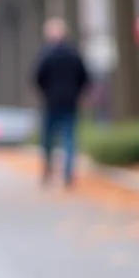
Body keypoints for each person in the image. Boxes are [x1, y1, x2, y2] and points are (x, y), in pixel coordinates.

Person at [32, 18, 89, 187]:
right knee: (69, 139)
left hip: (51, 103)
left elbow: (36, 77)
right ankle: (67, 173)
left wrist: (45, 93)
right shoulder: (74, 53)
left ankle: (48, 170)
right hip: (70, 103)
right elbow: (84, 77)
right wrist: (77, 94)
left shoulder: (46, 54)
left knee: (48, 139)